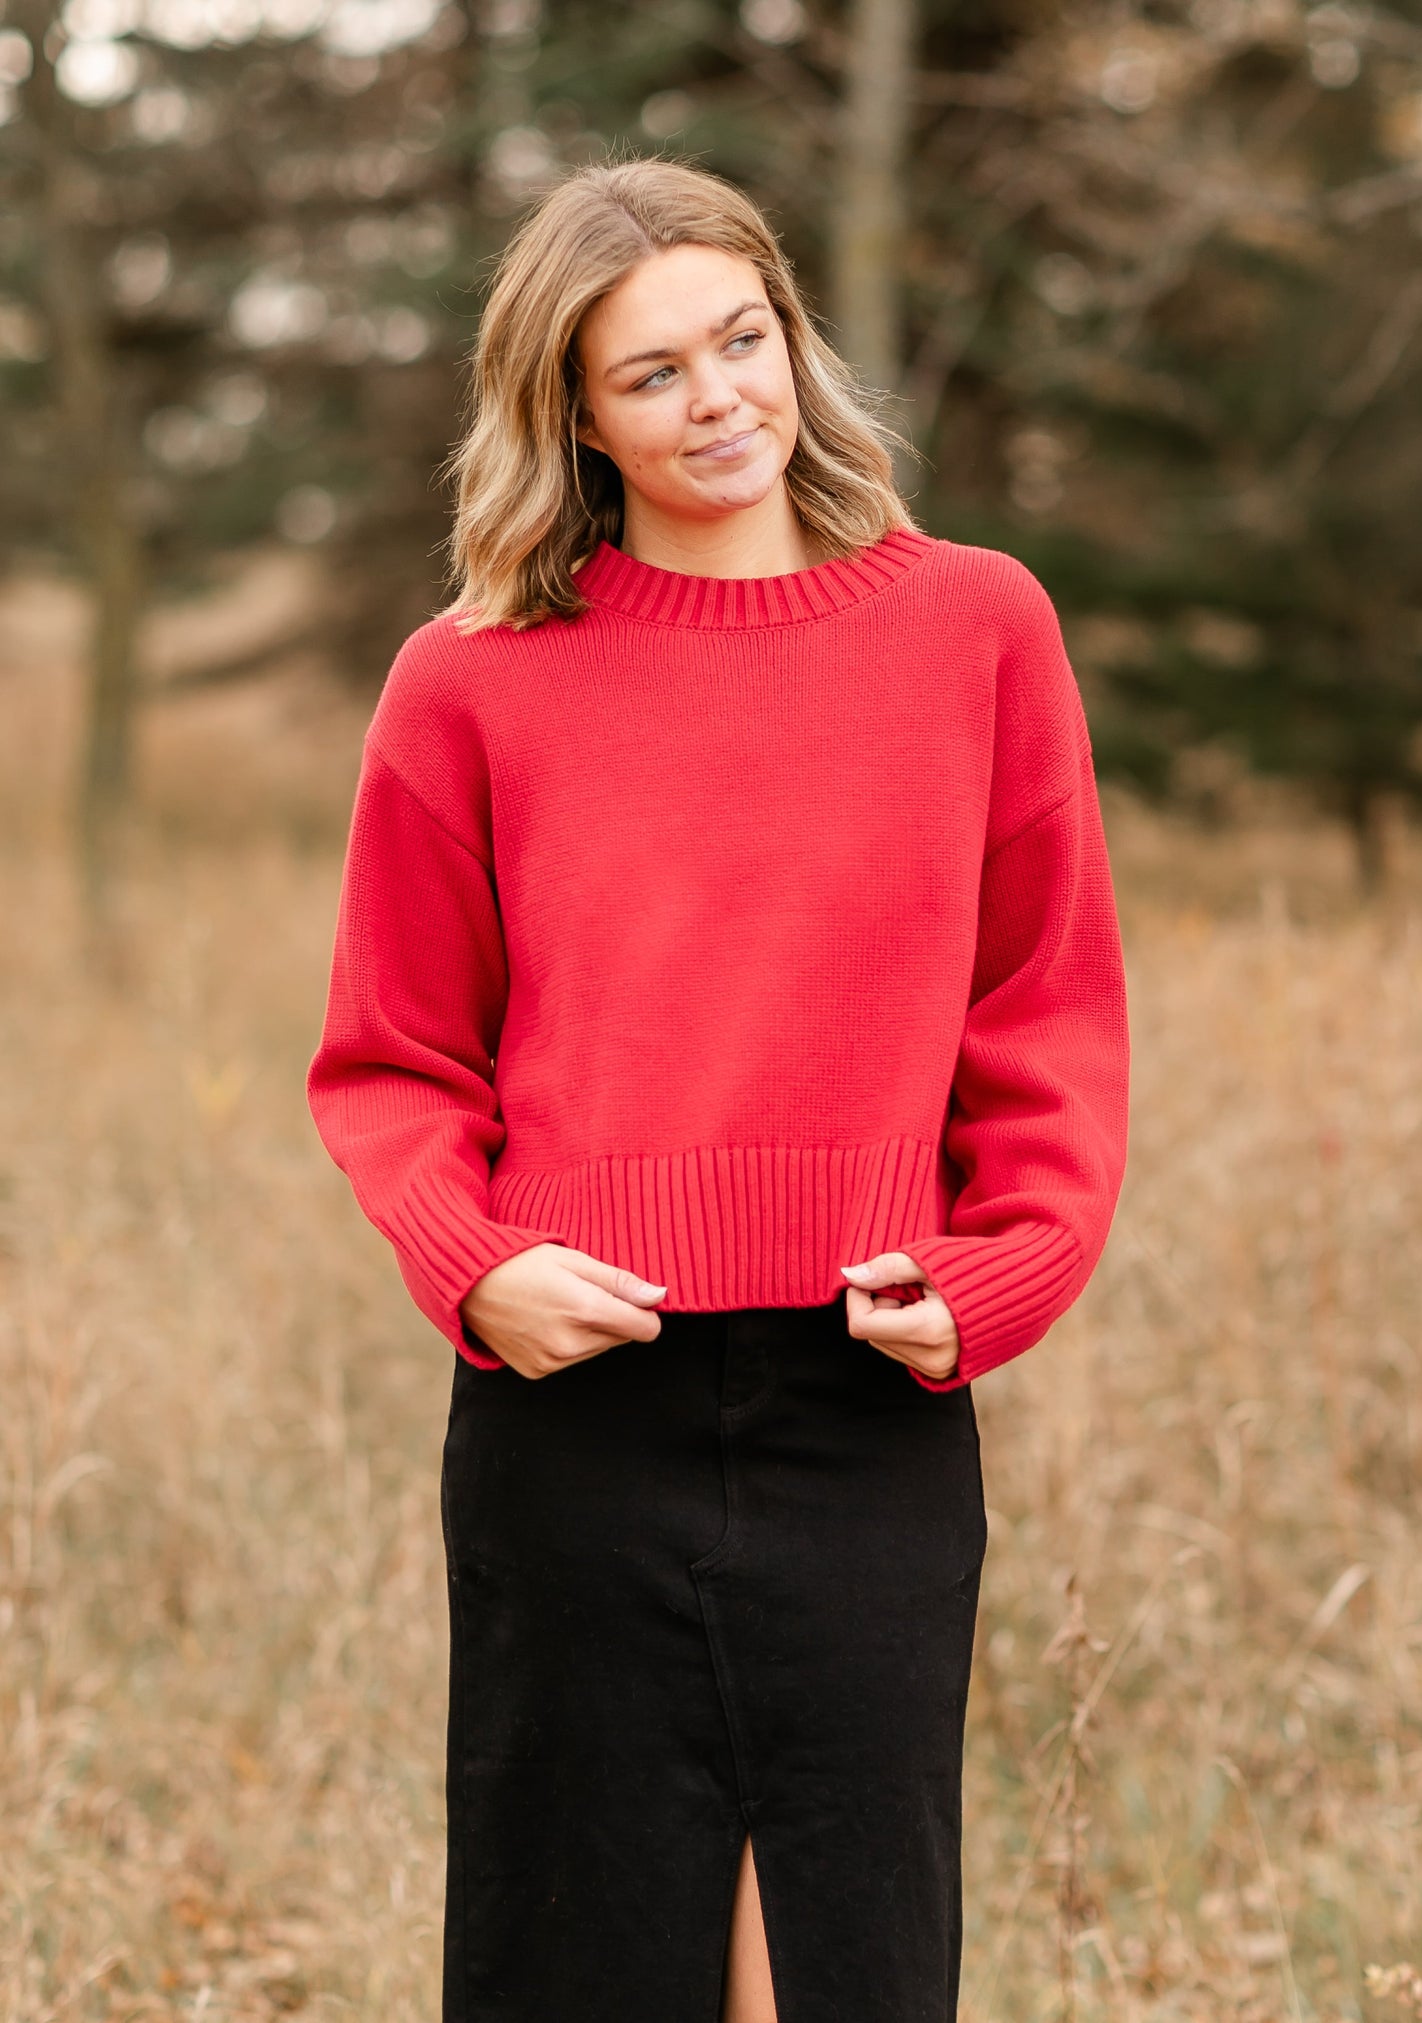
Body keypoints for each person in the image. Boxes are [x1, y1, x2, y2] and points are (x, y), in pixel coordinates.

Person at [306, 153, 1129, 2023]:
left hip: (868, 1389)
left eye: (739, 340)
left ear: (793, 336)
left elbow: (1047, 1014)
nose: (718, 400)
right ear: (575, 419)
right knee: (582, 1948)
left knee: (843, 1956)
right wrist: (472, 1267)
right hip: (575, 1401)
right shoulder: (472, 683)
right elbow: (392, 1055)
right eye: (650, 373)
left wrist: (1002, 1270)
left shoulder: (977, 627)